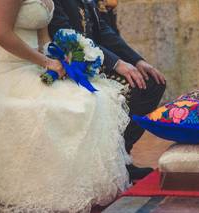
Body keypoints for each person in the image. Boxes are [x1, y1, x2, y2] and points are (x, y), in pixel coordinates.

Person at [0, 0, 133, 211]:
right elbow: (1, 34)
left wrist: (61, 58)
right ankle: (38, 187)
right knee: (63, 107)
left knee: (93, 98)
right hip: (5, 67)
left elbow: (43, 38)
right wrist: (45, 63)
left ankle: (74, 185)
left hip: (33, 64)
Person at [49, 0, 166, 180]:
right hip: (68, 63)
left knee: (152, 83)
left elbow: (102, 30)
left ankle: (121, 157)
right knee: (136, 87)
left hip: (94, 59)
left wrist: (137, 61)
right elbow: (66, 35)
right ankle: (116, 161)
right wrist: (116, 63)